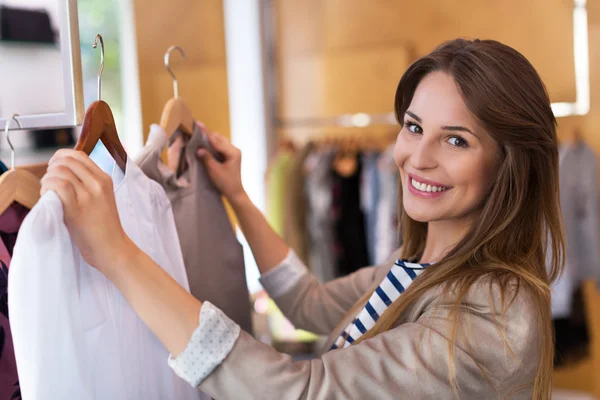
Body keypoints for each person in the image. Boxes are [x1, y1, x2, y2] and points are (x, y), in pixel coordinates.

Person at [41, 38, 563, 399]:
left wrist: (114, 252)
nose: (417, 157)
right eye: (412, 126)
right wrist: (239, 198)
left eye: (456, 140)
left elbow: (297, 391)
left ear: (509, 164)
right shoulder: (419, 266)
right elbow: (309, 302)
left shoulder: (491, 315)